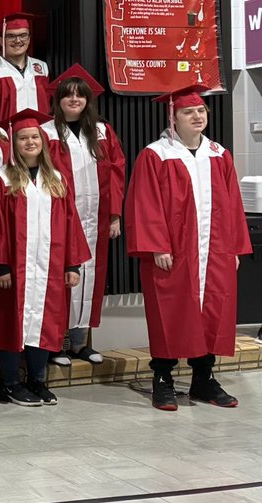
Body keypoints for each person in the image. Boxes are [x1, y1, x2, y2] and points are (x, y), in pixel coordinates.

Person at [125, 84, 251, 411]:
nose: (196, 116)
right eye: (188, 112)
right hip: (173, 253)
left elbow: (232, 204)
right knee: (169, 312)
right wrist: (157, 246)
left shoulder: (218, 155)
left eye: (200, 111)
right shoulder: (156, 155)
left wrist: (234, 248)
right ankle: (163, 380)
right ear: (173, 116)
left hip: (214, 251)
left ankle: (203, 380)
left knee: (212, 312)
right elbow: (144, 204)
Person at [0, 109, 89, 408]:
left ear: (43, 142)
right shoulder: (0, 179)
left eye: (35, 137)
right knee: (10, 324)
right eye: (23, 138)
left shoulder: (56, 179)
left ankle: (37, 380)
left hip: (49, 267)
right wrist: (1, 265)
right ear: (13, 144)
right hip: (13, 269)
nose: (30, 142)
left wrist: (72, 264)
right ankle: (9, 383)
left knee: (45, 322)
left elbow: (71, 222)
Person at [40, 65, 126, 366]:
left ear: (88, 100)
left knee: (90, 277)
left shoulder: (102, 132)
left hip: (96, 219)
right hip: (62, 219)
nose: (74, 100)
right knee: (62, 278)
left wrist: (114, 214)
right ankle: (54, 344)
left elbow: (116, 172)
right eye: (68, 96)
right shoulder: (46, 133)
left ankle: (79, 343)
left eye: (80, 95)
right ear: (58, 101)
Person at [0, 13, 50, 122]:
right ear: (1, 41)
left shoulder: (41, 68)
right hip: (6, 136)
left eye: (23, 35)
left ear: (29, 39)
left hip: (39, 136)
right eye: (11, 36)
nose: (18, 40)